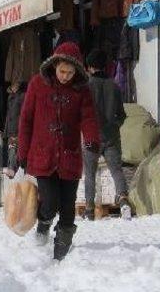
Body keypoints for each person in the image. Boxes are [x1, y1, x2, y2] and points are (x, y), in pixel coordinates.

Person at [18, 42, 100, 261]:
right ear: (54, 65)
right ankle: (43, 222)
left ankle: (61, 255)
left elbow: (89, 118)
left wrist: (92, 139)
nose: (65, 76)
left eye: (70, 72)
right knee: (50, 200)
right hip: (43, 155)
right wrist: (22, 153)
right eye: (62, 71)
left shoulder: (82, 90)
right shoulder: (37, 84)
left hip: (69, 157)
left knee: (67, 206)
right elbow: (26, 120)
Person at [83, 49, 131, 221]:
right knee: (116, 170)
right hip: (111, 137)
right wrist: (114, 126)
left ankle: (89, 208)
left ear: (89, 67)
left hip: (91, 137)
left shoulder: (85, 87)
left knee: (90, 172)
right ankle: (124, 200)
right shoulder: (114, 86)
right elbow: (122, 114)